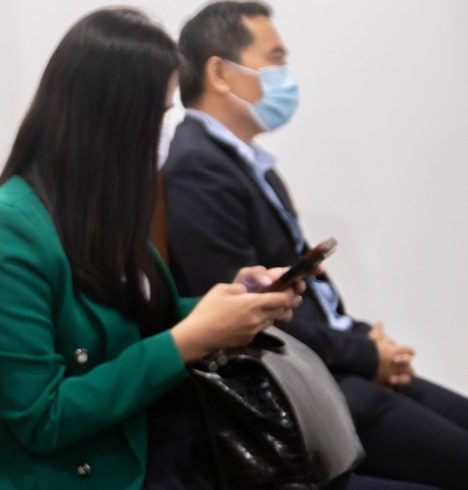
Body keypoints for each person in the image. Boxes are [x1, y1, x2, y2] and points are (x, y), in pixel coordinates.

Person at [0, 8, 311, 489]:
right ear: (113, 117)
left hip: (157, 442)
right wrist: (189, 340)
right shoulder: (4, 229)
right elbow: (42, 417)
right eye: (162, 114)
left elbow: (137, 318)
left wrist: (229, 305)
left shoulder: (98, 206)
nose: (168, 130)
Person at [163, 2, 468, 487]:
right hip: (306, 383)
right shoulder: (197, 169)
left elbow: (308, 289)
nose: (286, 76)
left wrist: (370, 341)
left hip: (335, 362)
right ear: (220, 73)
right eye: (275, 60)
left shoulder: (252, 167)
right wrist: (366, 355)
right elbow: (247, 318)